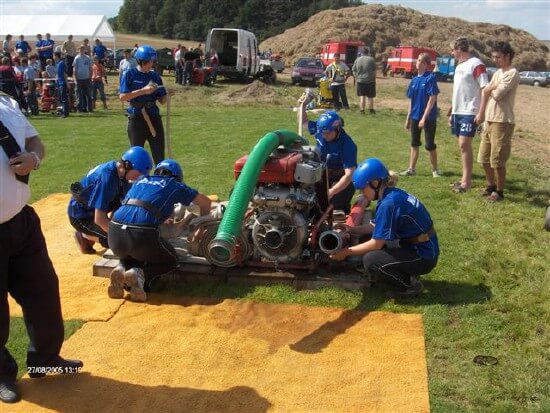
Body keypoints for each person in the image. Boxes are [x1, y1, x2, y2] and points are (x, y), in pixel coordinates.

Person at [0, 91, 83, 404]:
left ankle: (45, 359)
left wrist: (33, 158)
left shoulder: (7, 103)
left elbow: (35, 142)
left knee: (44, 292)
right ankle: (1, 374)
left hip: (21, 220)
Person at [330, 158, 439, 298]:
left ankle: (409, 285)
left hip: (423, 255)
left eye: (363, 188)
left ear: (375, 183)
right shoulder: (391, 195)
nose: (362, 193)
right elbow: (375, 226)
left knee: (371, 260)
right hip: (421, 246)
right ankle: (406, 272)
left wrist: (346, 252)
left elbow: (376, 244)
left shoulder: (389, 204)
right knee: (372, 248)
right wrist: (351, 230)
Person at [108, 159, 211, 302]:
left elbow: (137, 207)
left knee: (132, 253)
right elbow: (206, 203)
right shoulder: (174, 185)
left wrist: (161, 217)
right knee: (170, 260)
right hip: (141, 233)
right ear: (177, 177)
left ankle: (122, 267)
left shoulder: (141, 180)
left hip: (114, 232)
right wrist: (200, 226)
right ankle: (140, 274)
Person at [68, 146, 153, 255]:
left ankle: (105, 230)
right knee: (121, 242)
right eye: (139, 173)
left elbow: (129, 202)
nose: (139, 177)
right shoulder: (107, 178)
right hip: (81, 215)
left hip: (93, 207)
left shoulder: (121, 174)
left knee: (127, 209)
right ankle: (84, 236)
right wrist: (119, 234)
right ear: (127, 166)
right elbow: (99, 219)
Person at [475, 41, 520, 202]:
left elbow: (497, 94)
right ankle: (490, 186)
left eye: (498, 57)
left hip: (502, 121)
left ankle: (499, 192)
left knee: (498, 160)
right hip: (489, 119)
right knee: (483, 158)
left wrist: (490, 89)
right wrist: (489, 90)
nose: (494, 60)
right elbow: (487, 92)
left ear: (507, 56)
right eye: (493, 57)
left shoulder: (512, 73)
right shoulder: (498, 73)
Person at [299, 96, 357, 214]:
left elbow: (349, 175)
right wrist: (303, 106)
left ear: (337, 129)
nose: (324, 136)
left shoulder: (348, 145)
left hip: (340, 176)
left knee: (334, 204)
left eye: (328, 133)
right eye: (322, 133)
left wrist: (332, 191)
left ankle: (341, 209)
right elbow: (303, 122)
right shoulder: (321, 130)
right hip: (321, 173)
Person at [120, 45, 174, 165]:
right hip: (137, 118)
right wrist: (143, 91)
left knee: (159, 154)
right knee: (136, 157)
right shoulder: (130, 74)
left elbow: (162, 101)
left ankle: (160, 175)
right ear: (141, 61)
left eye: (153, 61)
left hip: (154, 117)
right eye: (149, 61)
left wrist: (168, 94)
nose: (151, 64)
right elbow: (123, 97)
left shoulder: (155, 76)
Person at [449, 37, 489, 193]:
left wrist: (481, 111)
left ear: (459, 49)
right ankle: (463, 179)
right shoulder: (459, 66)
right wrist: (451, 110)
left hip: (470, 111)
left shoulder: (476, 64)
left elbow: (485, 88)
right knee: (462, 146)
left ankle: (466, 182)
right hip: (458, 111)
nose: (452, 53)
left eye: (453, 50)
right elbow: (458, 90)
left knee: (464, 144)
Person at [401, 53, 440, 178]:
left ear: (425, 64)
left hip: (429, 118)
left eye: (420, 61)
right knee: (414, 143)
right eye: (417, 60)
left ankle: (435, 170)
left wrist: (424, 118)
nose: (417, 63)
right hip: (415, 116)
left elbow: (432, 99)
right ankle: (411, 169)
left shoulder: (430, 78)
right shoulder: (414, 80)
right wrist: (408, 118)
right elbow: (411, 101)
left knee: (430, 145)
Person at [351, 48, 376, 114]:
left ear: (362, 53)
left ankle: (362, 110)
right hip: (370, 81)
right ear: (368, 53)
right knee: (370, 97)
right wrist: (374, 79)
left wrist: (356, 77)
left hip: (360, 81)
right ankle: (371, 110)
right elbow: (374, 71)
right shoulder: (371, 59)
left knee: (362, 96)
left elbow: (353, 70)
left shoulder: (357, 59)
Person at [73, 45, 93, 113]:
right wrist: (75, 79)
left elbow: (90, 68)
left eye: (83, 49)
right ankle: (79, 110)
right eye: (80, 49)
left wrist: (90, 77)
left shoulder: (88, 58)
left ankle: (90, 109)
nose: (82, 50)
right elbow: (74, 69)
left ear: (85, 50)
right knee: (79, 95)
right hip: (79, 79)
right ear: (79, 50)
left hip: (87, 79)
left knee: (88, 95)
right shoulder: (77, 58)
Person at [54, 51, 69, 117]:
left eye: (54, 56)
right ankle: (63, 112)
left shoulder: (62, 63)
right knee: (61, 98)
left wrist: (67, 83)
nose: (53, 57)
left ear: (56, 56)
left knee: (64, 98)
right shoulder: (57, 64)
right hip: (59, 83)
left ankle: (65, 113)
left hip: (62, 83)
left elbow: (64, 74)